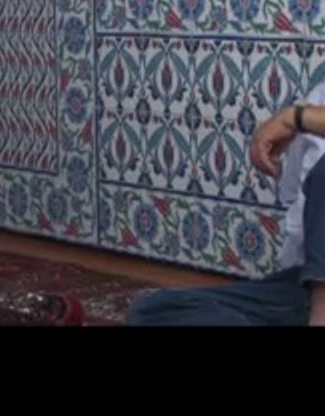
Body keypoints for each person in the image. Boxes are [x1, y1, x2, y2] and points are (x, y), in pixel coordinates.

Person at [126, 82, 325, 326]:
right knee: (152, 311)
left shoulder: (301, 116)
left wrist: (294, 118)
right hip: (299, 289)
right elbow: (298, 212)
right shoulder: (318, 97)